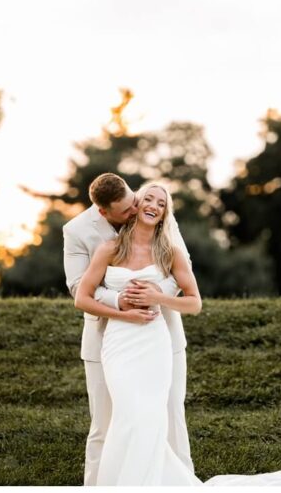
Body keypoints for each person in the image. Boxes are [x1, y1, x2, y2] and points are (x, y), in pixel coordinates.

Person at [75, 182, 281, 486]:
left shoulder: (170, 253)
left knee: (149, 417)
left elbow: (194, 302)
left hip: (154, 344)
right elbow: (82, 298)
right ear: (136, 204)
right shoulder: (111, 248)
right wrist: (123, 312)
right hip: (119, 343)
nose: (154, 205)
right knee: (128, 415)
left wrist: (159, 298)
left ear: (164, 213)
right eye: (149, 199)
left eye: (161, 203)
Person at [62, 173, 193, 485]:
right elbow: (79, 288)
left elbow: (183, 271)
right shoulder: (80, 232)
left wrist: (156, 295)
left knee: (169, 418)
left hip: (160, 333)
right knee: (107, 424)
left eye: (138, 201)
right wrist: (123, 302)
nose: (138, 210)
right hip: (110, 338)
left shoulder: (156, 215)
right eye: (129, 209)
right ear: (104, 213)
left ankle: (178, 483)